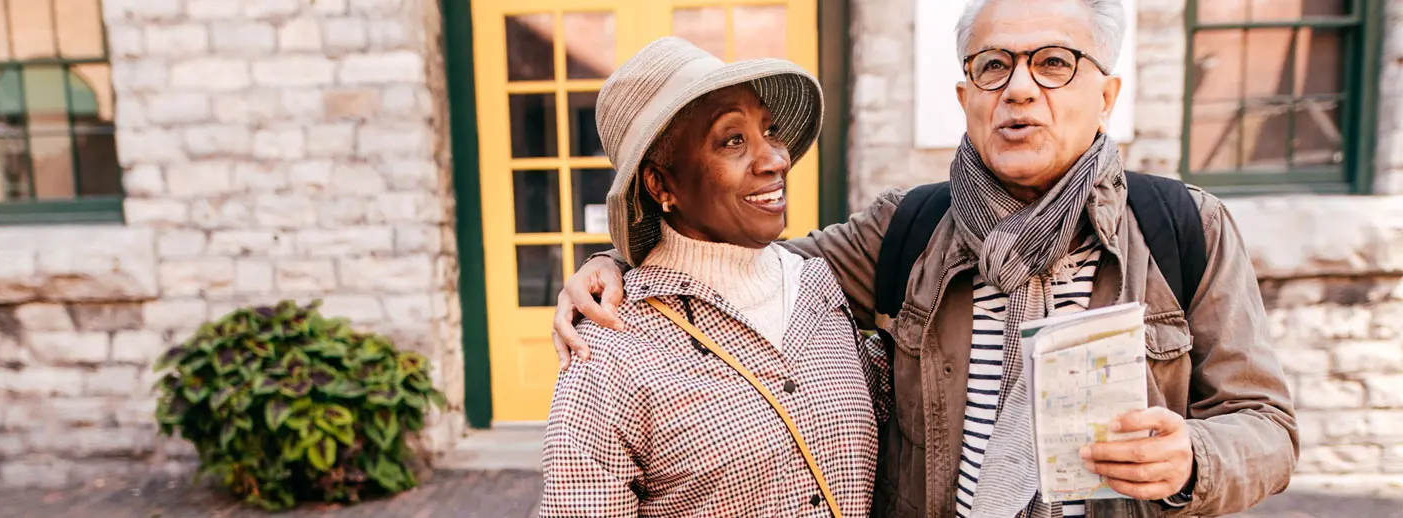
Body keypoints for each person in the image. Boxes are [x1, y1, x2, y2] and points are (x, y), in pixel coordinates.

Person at [551, 1, 1299, 517]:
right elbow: (735, 270)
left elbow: (1267, 426)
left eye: (1054, 64)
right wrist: (619, 262)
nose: (1021, 90)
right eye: (994, 66)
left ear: (1106, 94)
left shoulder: (1182, 228)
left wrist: (1193, 459)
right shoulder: (905, 230)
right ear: (964, 93)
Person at [538, 37, 890, 517]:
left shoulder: (820, 289)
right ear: (661, 183)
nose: (775, 160)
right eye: (733, 140)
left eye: (770, 131)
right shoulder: (608, 352)